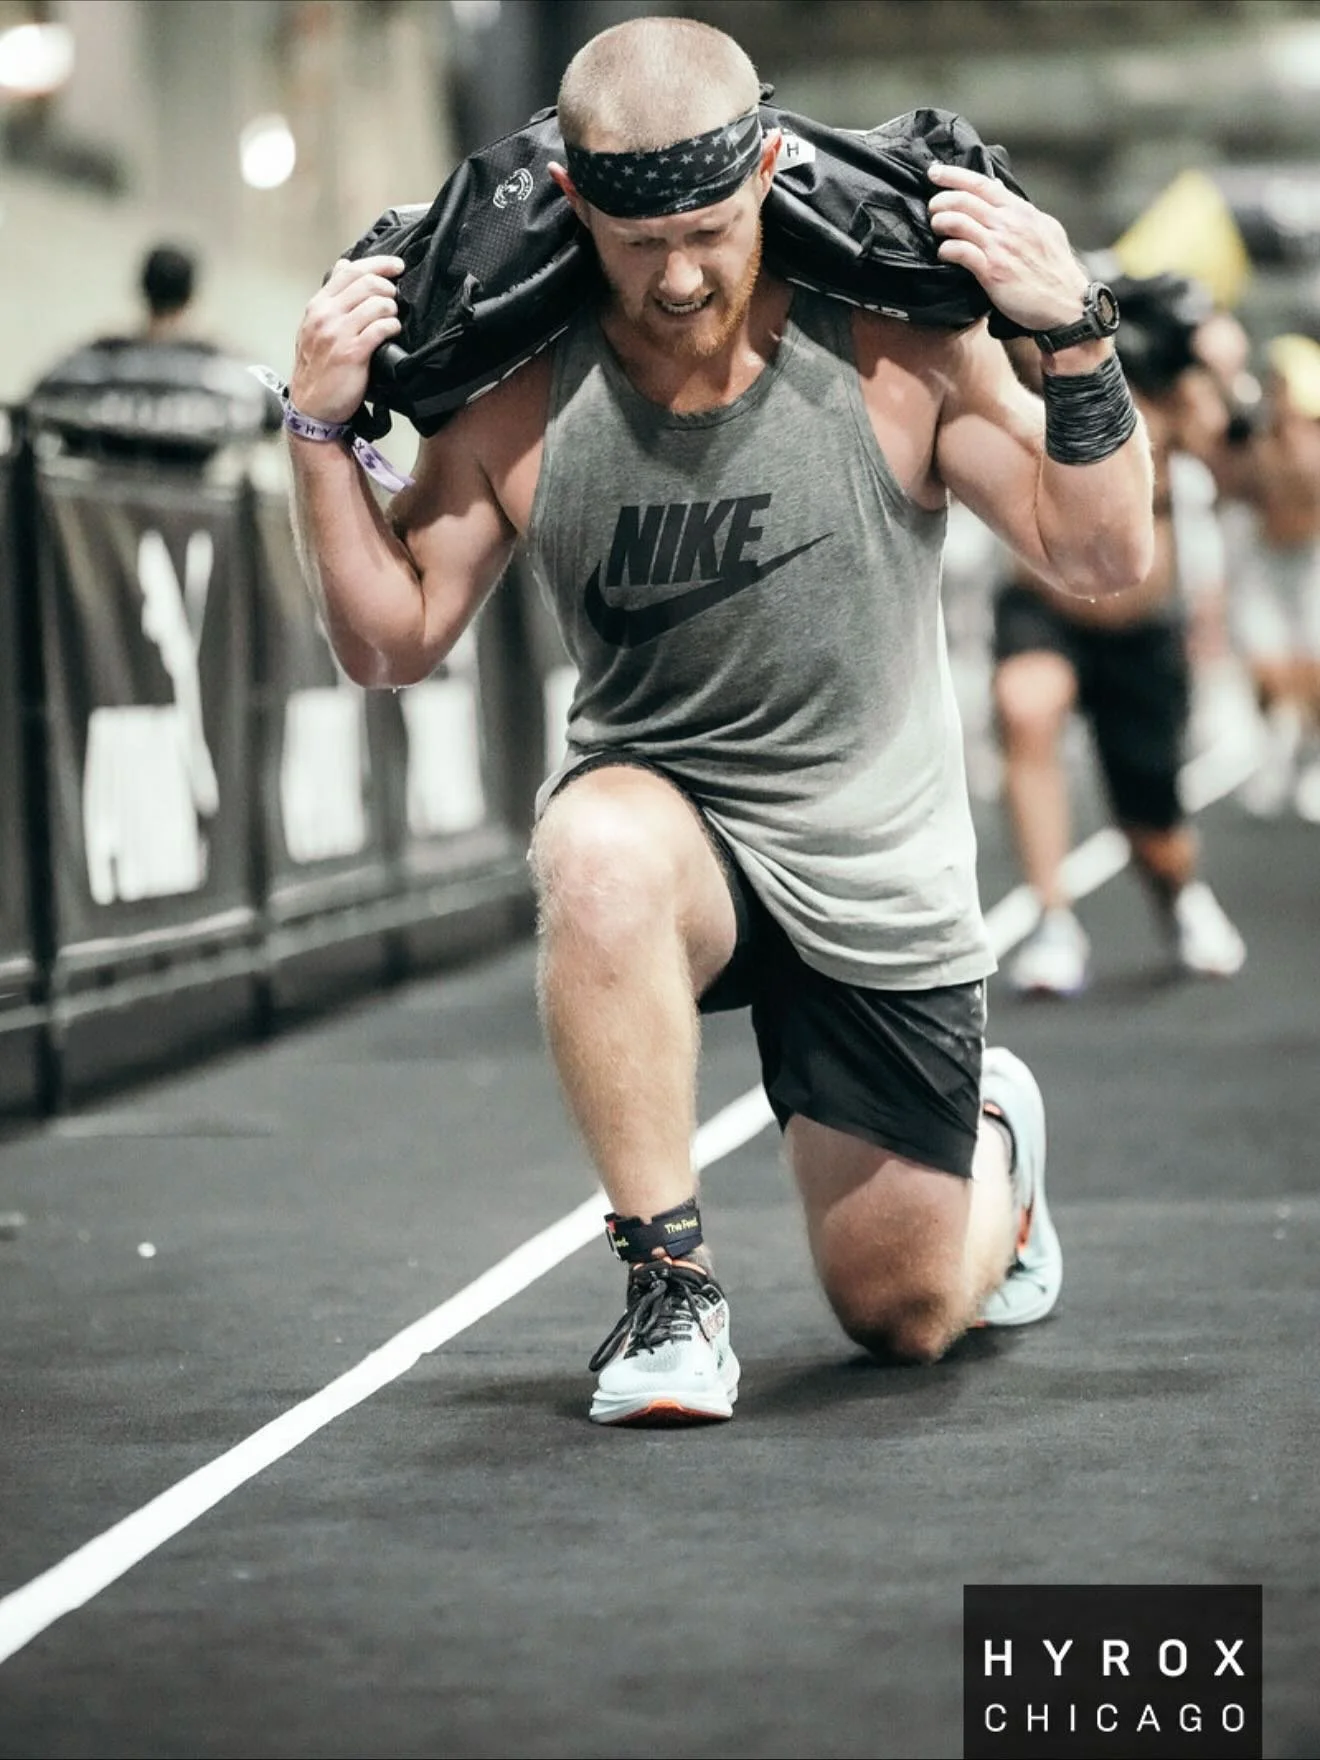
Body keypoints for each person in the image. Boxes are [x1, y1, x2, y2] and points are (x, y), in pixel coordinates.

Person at [283, 15, 1155, 1425]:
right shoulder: (519, 392)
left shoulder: (896, 352)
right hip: (675, 837)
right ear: (573, 201)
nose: (680, 275)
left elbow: (1106, 558)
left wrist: (1071, 330)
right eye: (641, 244)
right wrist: (320, 434)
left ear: (765, 170)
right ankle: (669, 1289)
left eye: (708, 230)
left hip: (877, 865)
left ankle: (994, 1139)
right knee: (595, 848)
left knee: (904, 1313)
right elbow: (390, 640)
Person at [992, 274, 1246, 998]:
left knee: (1152, 826)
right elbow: (1003, 344)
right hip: (1044, 604)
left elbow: (1237, 462)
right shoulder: (1042, 370)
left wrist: (1210, 367)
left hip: (1141, 624)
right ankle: (1053, 921)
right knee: (1025, 705)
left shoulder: (1173, 397)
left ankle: (1181, 898)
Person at [1208, 342, 1320, 821]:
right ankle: (1276, 750)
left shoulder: (1309, 442)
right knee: (1266, 666)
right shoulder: (1252, 438)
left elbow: (1304, 493)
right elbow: (1229, 484)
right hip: (1262, 561)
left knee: (1312, 667)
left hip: (1309, 560)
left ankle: (1312, 757)